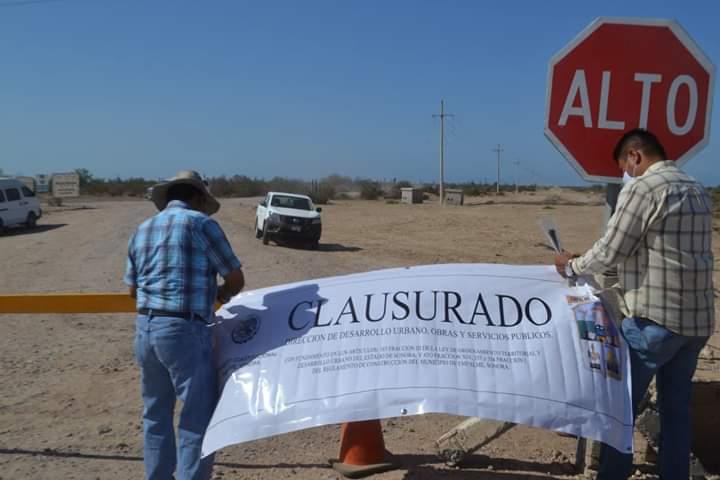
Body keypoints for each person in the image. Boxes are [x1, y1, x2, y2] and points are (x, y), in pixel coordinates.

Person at [554, 129, 714, 480]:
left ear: (635, 155)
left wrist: (573, 265)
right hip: (697, 324)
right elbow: (659, 250)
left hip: (654, 322)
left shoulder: (644, 187)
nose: (627, 173)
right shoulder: (695, 188)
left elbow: (612, 247)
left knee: (619, 408)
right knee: (675, 411)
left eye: (626, 165)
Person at [125, 170, 245, 480]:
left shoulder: (142, 229)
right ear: (196, 197)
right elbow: (235, 278)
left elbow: (132, 290)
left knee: (155, 416)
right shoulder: (201, 225)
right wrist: (221, 294)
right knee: (196, 418)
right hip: (184, 331)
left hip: (146, 329)